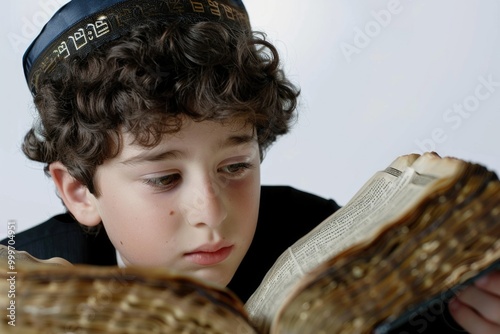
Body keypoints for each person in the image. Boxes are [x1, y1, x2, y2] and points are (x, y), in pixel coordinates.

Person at [1, 1, 498, 333]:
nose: (210, 211)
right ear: (80, 192)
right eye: (164, 178)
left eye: (236, 165)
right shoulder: (20, 283)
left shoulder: (326, 246)